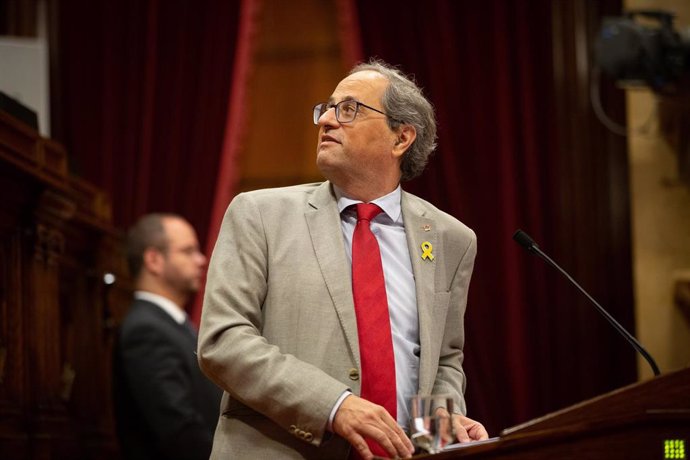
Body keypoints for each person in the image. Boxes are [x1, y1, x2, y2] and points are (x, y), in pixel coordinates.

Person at [198, 59, 488, 460]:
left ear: (401, 138)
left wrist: (440, 422)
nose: (327, 121)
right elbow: (223, 340)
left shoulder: (451, 239)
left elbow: (443, 360)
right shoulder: (259, 215)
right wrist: (334, 405)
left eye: (349, 109)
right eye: (327, 108)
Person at [113, 213, 222, 460]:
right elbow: (178, 429)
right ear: (154, 260)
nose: (201, 259)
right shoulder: (145, 330)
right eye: (188, 251)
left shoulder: (173, 324)